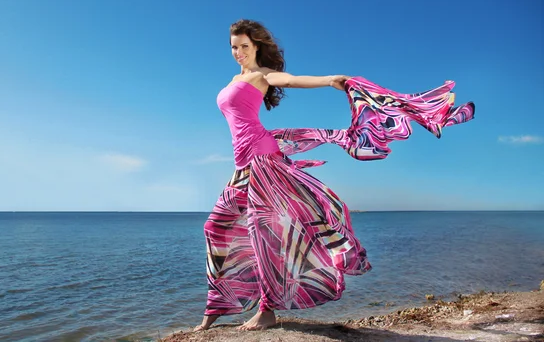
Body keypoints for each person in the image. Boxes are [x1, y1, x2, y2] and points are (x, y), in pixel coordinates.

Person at [194, 19, 475, 332]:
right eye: (234, 46)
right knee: (215, 227)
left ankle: (264, 310)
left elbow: (292, 79)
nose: (238, 52)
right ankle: (219, 305)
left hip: (262, 159)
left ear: (256, 46)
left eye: (244, 46)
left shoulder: (263, 76)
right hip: (243, 164)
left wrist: (329, 80)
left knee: (265, 235)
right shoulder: (236, 77)